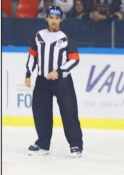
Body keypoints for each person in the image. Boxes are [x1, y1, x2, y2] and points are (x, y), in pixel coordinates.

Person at [25, 6, 83, 158]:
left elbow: (74, 59)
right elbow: (33, 56)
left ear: (61, 19)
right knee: (41, 113)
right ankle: (43, 144)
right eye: (51, 17)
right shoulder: (38, 35)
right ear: (46, 18)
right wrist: (28, 73)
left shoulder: (66, 36)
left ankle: (76, 145)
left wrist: (59, 72)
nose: (54, 21)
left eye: (57, 18)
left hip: (62, 82)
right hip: (42, 81)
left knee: (69, 112)